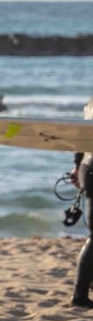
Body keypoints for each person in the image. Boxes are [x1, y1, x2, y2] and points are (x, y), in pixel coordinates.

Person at [69, 97, 93, 308]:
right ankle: (79, 295)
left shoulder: (91, 101)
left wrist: (77, 166)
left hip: (88, 167)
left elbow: (81, 134)